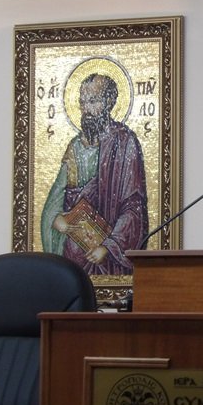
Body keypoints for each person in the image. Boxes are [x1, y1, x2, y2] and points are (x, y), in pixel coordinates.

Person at [41, 72, 149, 275]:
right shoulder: (74, 147)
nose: (86, 109)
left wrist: (109, 246)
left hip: (108, 256)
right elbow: (56, 197)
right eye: (82, 102)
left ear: (108, 102)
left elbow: (133, 207)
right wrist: (55, 218)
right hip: (73, 255)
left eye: (93, 101)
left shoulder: (125, 143)